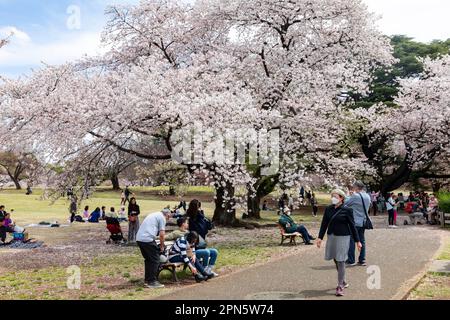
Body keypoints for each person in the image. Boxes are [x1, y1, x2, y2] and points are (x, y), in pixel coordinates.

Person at [317, 189, 362, 297]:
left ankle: (340, 286)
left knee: (341, 259)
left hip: (343, 237)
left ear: (341, 198)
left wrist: (357, 241)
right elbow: (324, 224)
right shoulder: (328, 209)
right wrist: (319, 237)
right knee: (336, 259)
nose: (333, 198)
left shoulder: (347, 210)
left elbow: (352, 226)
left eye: (335, 196)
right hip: (331, 236)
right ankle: (343, 280)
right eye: (332, 196)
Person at [136, 208, 173, 289]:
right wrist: (162, 246)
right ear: (167, 214)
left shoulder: (154, 214)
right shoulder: (162, 218)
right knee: (155, 259)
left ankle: (147, 280)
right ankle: (152, 281)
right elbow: (162, 234)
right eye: (168, 217)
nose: (168, 219)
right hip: (147, 239)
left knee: (149, 259)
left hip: (140, 238)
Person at [344, 181, 371, 267]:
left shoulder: (355, 196)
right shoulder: (367, 196)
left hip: (355, 222)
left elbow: (345, 203)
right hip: (363, 221)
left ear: (356, 187)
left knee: (351, 240)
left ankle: (351, 260)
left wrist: (348, 194)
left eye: (354, 186)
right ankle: (362, 259)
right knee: (362, 240)